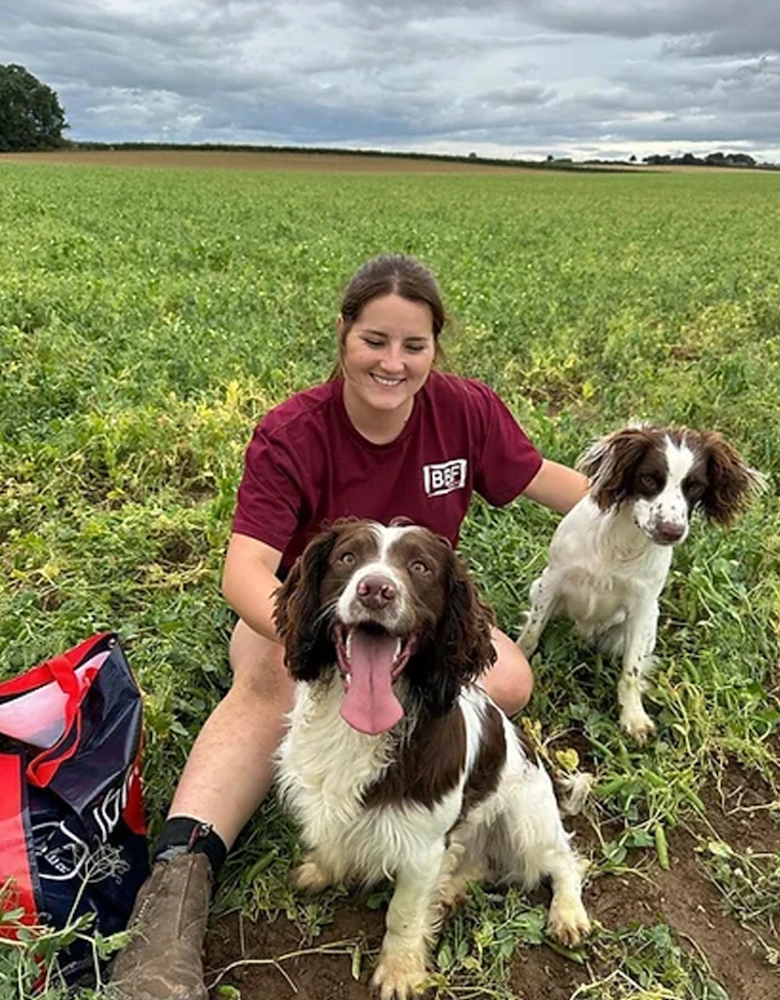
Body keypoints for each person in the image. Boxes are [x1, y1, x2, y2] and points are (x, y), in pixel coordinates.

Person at [109, 254, 589, 1000]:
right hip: (301, 611)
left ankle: (411, 811)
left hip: (413, 624)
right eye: (375, 340)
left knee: (510, 681)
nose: (392, 363)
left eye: (413, 345)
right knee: (275, 680)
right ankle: (173, 900)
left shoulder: (466, 411)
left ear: (435, 348)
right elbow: (243, 571)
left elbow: (553, 485)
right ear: (343, 334)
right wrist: (312, 638)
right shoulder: (293, 432)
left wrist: (647, 512)